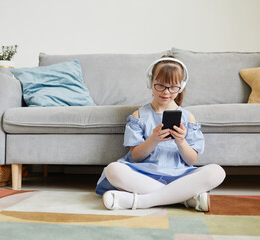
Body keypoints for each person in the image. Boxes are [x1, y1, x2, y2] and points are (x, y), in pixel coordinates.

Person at [95, 54, 226, 211]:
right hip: (145, 175)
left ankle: (142, 201)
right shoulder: (139, 116)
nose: (166, 92)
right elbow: (136, 157)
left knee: (217, 172)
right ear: (151, 82)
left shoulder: (188, 117)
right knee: (113, 169)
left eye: (173, 87)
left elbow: (191, 160)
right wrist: (154, 139)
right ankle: (184, 198)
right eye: (160, 85)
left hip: (180, 175)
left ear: (181, 86)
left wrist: (181, 141)